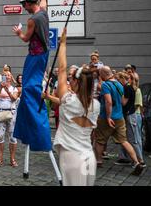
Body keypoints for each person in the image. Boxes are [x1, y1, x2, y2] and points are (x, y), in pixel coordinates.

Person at [43, 28, 100, 186]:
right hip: (89, 156)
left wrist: (63, 44)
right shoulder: (96, 104)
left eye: (71, 78)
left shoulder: (68, 100)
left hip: (72, 157)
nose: (68, 80)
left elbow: (61, 69)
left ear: (75, 82)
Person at [12, 0, 52, 152]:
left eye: (24, 5)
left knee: (29, 87)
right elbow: (44, 0)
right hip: (44, 54)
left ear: (29, 4)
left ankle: (33, 113)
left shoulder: (32, 20)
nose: (23, 8)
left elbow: (26, 39)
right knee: (31, 84)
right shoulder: (43, 11)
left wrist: (18, 32)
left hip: (35, 55)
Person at [93, 66, 144, 176]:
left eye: (99, 74)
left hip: (107, 117)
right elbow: (122, 101)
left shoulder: (106, 85)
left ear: (102, 74)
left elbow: (108, 102)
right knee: (124, 140)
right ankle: (136, 162)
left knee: (100, 140)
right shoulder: (119, 84)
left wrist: (108, 117)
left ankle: (98, 160)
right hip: (119, 117)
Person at [115, 73, 145, 166]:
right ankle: (137, 159)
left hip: (130, 116)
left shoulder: (128, 88)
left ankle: (140, 160)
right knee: (131, 138)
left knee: (133, 139)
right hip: (130, 115)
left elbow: (124, 103)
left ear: (122, 79)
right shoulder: (129, 87)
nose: (117, 81)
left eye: (118, 79)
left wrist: (119, 97)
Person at [0, 71, 20, 167]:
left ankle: (12, 158)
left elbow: (14, 98)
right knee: (0, 136)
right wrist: (1, 87)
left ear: (11, 77)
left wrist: (7, 91)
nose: (7, 77)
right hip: (0, 113)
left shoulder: (14, 88)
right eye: (5, 75)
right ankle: (0, 158)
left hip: (11, 113)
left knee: (13, 137)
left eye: (9, 75)